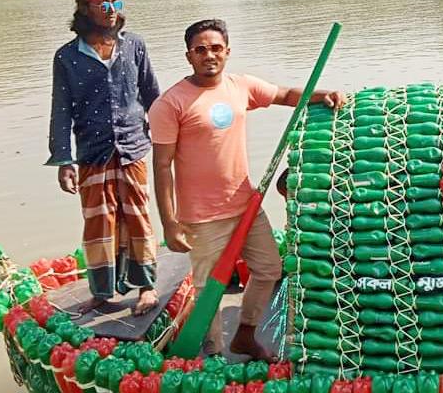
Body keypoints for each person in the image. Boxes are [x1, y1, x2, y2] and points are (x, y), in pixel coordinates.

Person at [148, 19, 346, 358]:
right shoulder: (170, 104)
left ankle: (246, 334)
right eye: (200, 50)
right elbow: (162, 166)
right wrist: (169, 222)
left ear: (227, 51)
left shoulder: (240, 86)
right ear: (188, 56)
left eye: (215, 48)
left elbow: (284, 95)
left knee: (269, 267)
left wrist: (323, 95)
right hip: (202, 216)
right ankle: (212, 353)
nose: (208, 55)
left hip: (245, 205)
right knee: (208, 288)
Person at [47, 0, 160, 315]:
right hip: (92, 151)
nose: (111, 11)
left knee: (138, 216)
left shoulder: (134, 45)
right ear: (85, 10)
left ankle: (147, 288)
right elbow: (61, 109)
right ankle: (101, 292)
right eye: (103, 4)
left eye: (116, 3)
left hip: (132, 145)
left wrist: (171, 136)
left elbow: (152, 94)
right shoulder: (67, 56)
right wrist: (63, 159)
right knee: (98, 221)